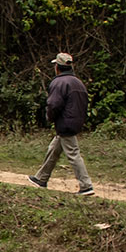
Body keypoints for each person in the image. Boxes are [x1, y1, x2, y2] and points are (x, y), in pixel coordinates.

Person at [28, 52, 95, 196]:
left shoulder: (59, 83)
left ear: (57, 67)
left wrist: (50, 117)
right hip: (75, 121)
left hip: (65, 122)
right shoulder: (78, 82)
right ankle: (41, 178)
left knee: (73, 153)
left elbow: (53, 104)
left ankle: (86, 185)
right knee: (54, 149)